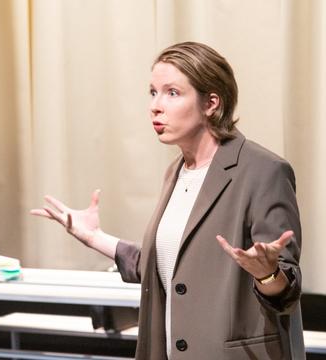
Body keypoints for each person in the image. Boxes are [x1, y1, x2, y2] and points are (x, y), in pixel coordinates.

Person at [31, 42, 304, 359]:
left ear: (211, 103)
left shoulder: (263, 170)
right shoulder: (176, 171)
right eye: (152, 92)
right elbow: (164, 263)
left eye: (172, 93)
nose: (156, 106)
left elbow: (286, 293)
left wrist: (266, 273)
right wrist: (94, 237)